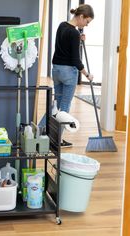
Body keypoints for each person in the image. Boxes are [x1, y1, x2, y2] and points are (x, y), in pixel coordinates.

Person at [52, 4, 94, 148]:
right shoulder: (74, 33)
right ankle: (56, 140)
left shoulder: (62, 26)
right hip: (68, 73)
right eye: (87, 21)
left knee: (55, 106)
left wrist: (79, 41)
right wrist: (87, 74)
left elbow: (65, 48)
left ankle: (42, 133)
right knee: (64, 108)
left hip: (56, 70)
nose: (86, 25)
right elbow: (75, 60)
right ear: (81, 16)